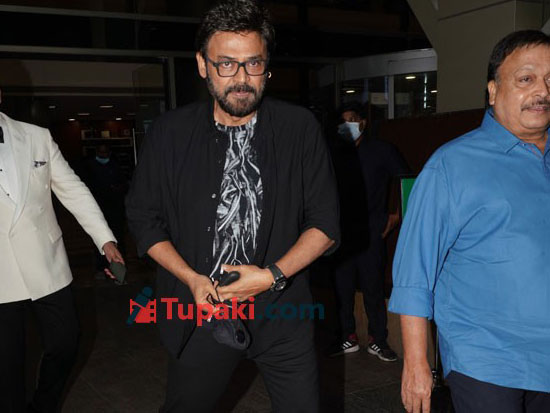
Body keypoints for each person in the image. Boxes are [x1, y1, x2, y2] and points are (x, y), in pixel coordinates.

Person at [125, 1, 340, 411]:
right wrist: (190, 278)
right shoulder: (171, 133)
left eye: (253, 64)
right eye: (226, 64)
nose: (241, 79)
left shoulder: (299, 128)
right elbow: (144, 218)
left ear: (267, 67)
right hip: (204, 310)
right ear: (202, 66)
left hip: (282, 312)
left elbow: (325, 223)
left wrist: (272, 276)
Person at [389, 30, 550, 413]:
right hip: (486, 359)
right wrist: (416, 363)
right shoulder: (452, 165)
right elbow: (414, 273)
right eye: (526, 79)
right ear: (493, 91)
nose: (542, 91)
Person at [0, 103, 124, 412]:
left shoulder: (36, 136)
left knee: (66, 343)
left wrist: (105, 240)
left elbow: (73, 190)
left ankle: (43, 406)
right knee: (8, 370)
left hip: (46, 263)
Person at [328, 102, 408, 360]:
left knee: (373, 287)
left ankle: (378, 340)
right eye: (342, 122)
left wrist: (396, 215)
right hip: (339, 234)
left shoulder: (381, 150)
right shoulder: (333, 153)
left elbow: (406, 180)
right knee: (342, 289)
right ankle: (346, 337)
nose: (346, 126)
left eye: (351, 120)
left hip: (372, 231)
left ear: (362, 123)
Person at [82, 144, 127, 275]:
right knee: (100, 240)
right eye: (101, 153)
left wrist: (117, 189)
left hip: (115, 209)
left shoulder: (115, 166)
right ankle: (101, 268)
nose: (103, 155)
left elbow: (123, 184)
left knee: (118, 238)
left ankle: (119, 270)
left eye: (105, 152)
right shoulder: (89, 167)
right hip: (98, 209)